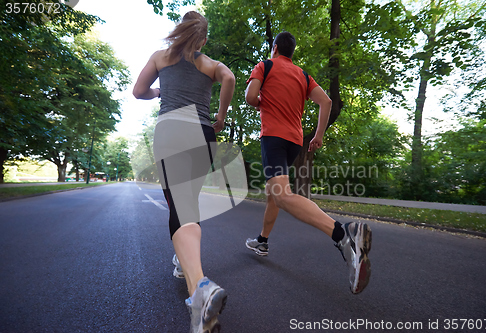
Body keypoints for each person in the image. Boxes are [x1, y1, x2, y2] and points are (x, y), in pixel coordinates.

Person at [244, 31, 372, 294]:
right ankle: (263, 241)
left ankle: (343, 233)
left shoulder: (265, 65)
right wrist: (318, 135)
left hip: (274, 138)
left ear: (275, 48)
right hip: (294, 141)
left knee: (281, 194)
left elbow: (249, 96)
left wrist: (260, 103)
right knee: (273, 193)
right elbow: (325, 101)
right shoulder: (302, 75)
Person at [133, 11, 235, 332]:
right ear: (203, 39)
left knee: (179, 207)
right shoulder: (208, 64)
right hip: (204, 134)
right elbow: (230, 79)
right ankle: (185, 265)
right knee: (188, 203)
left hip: (171, 132)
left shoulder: (161, 57)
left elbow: (138, 91)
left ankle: (200, 287)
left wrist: (157, 93)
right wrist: (219, 115)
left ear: (179, 32)